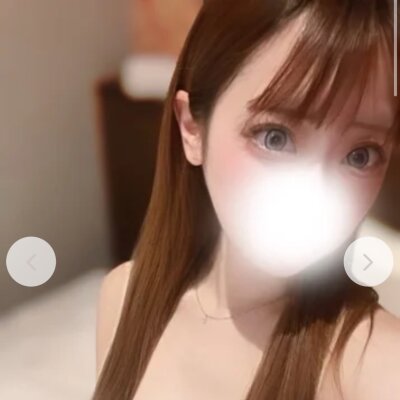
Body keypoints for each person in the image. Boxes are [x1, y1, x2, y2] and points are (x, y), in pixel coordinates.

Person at [93, 1, 400, 399]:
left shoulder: (376, 365)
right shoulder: (123, 299)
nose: (316, 195)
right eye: (275, 137)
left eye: (360, 155)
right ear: (191, 128)